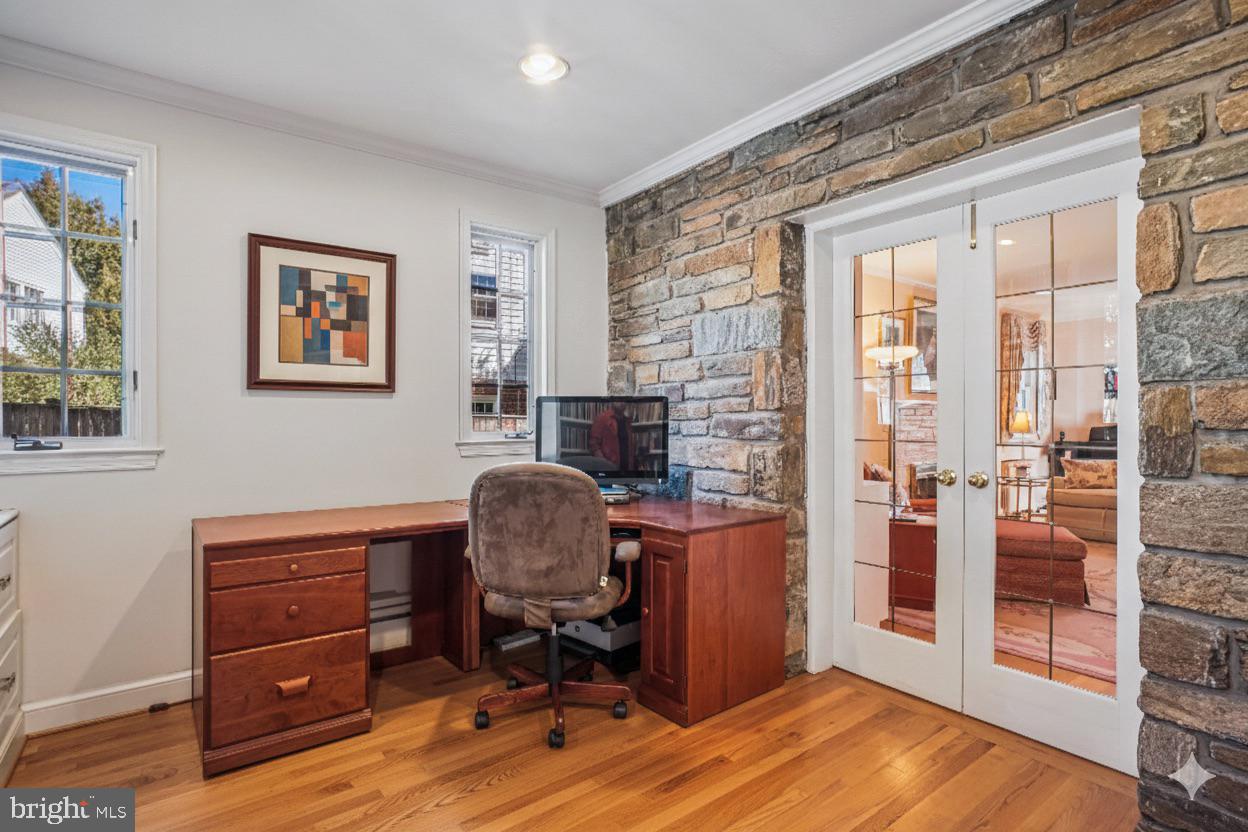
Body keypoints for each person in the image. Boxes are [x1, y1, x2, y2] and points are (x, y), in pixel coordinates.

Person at [588, 402, 632, 468]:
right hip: (609, 466)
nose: (621, 402)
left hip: (626, 468)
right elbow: (594, 444)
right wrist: (604, 464)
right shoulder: (602, 418)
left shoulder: (627, 422)